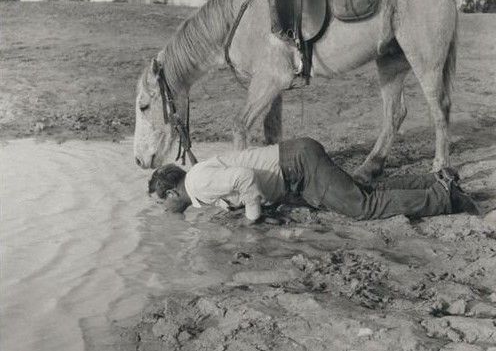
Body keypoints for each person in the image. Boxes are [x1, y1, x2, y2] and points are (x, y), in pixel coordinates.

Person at [148, 137, 480, 221]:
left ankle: (445, 198)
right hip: (296, 161)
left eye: (160, 204)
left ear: (170, 194)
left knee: (361, 206)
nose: (164, 211)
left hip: (297, 165)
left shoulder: (197, 185)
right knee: (363, 190)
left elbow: (245, 177)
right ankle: (434, 179)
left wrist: (252, 220)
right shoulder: (196, 178)